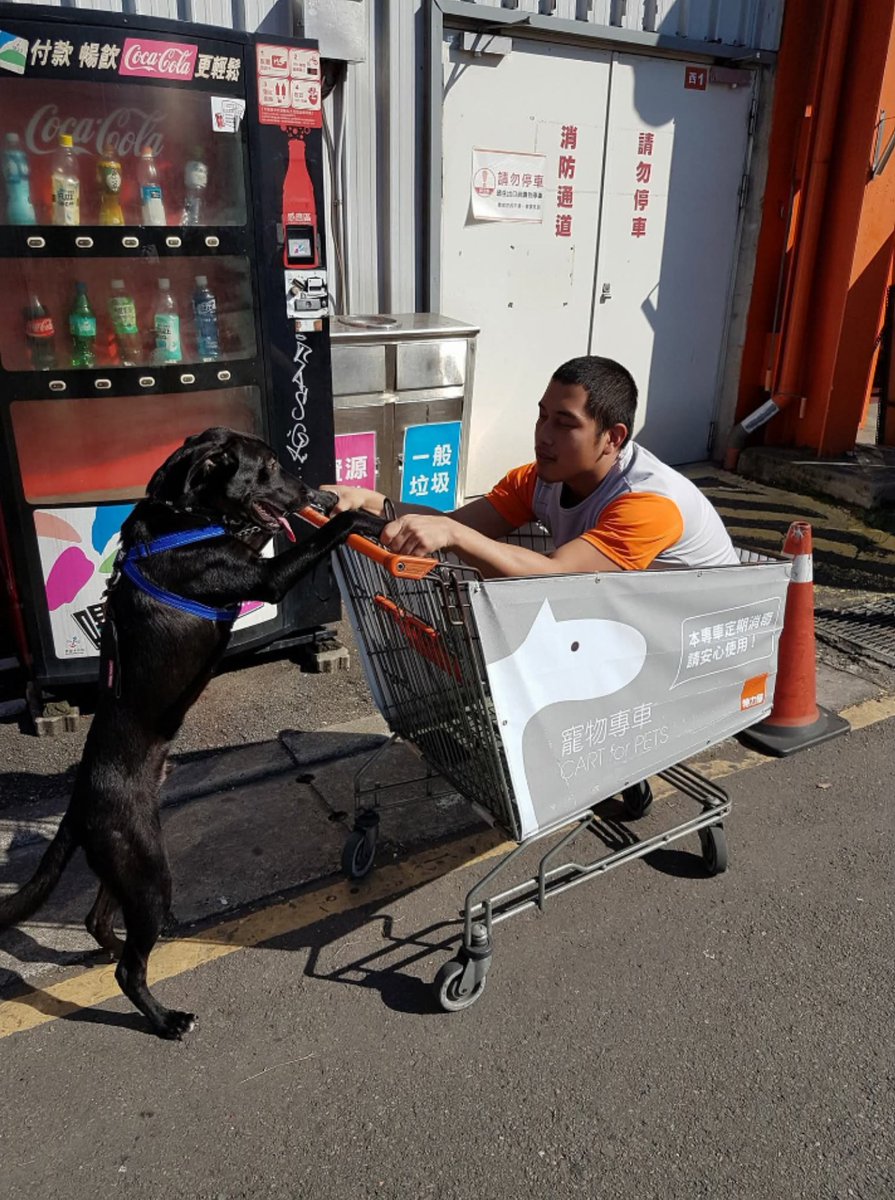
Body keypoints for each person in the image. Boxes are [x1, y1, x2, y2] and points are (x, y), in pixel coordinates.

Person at [324, 355, 739, 578]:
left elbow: (558, 575)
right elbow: (458, 523)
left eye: (565, 424)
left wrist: (453, 535)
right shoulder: (539, 478)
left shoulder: (648, 503)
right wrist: (369, 501)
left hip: (699, 636)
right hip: (635, 613)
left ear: (613, 437)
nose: (544, 435)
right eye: (542, 416)